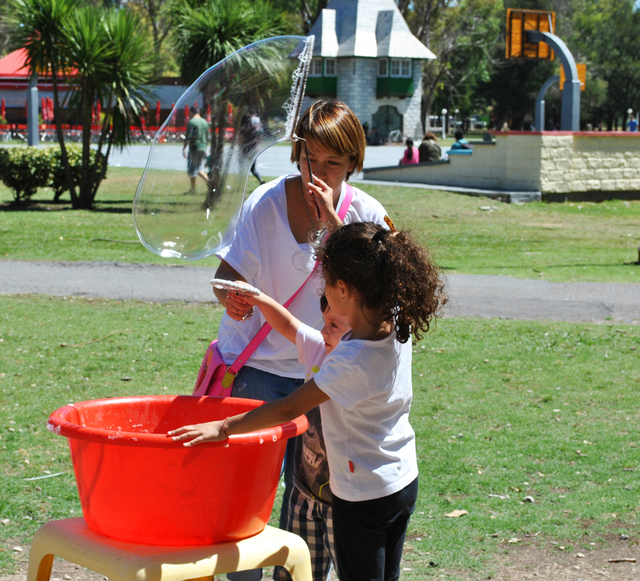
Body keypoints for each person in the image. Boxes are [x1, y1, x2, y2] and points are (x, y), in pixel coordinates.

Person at [169, 220, 448, 581]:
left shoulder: (350, 361)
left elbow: (288, 408)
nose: (324, 291)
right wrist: (262, 298)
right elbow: (294, 327)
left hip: (363, 497)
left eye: (327, 282)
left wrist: (223, 427)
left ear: (344, 289)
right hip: (401, 481)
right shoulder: (395, 323)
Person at [210, 99, 389, 581]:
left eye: (334, 163)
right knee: (246, 498)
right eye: (311, 158)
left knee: (312, 497)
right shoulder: (267, 201)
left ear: (353, 162)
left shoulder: (367, 213)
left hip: (326, 378)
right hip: (260, 370)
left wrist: (335, 222)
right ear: (297, 153)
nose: (320, 172)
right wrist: (230, 297)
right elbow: (225, 276)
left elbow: (384, 296)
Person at [182, 105, 210, 192]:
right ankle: (193, 188)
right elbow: (207, 136)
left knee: (193, 168)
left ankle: (207, 181)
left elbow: (188, 137)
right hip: (203, 147)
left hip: (194, 147)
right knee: (197, 167)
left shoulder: (191, 122)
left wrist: (184, 148)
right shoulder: (205, 122)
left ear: (191, 112)